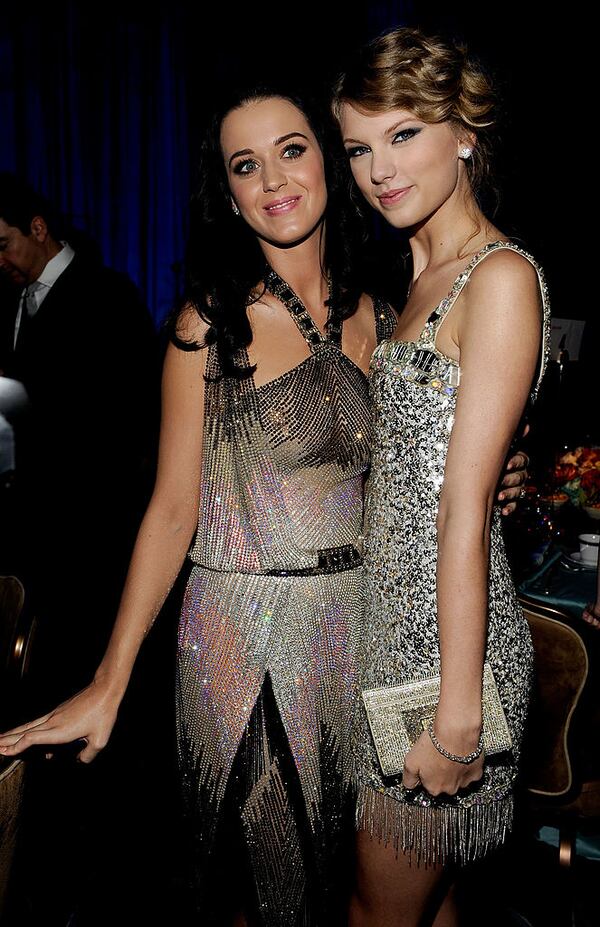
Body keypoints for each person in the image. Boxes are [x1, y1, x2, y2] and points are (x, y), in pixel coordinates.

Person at [0, 86, 527, 926]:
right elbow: (171, 511)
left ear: (330, 162)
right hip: (244, 640)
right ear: (230, 192)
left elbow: (423, 465)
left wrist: (495, 469)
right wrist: (111, 676)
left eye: (292, 149)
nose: (274, 179)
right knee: (277, 890)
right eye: (247, 164)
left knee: (385, 880)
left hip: (363, 634)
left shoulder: (385, 313)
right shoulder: (206, 329)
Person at [331, 26, 551, 927]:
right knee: (430, 900)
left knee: (375, 911)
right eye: (357, 146)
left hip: (446, 658)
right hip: (395, 633)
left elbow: (463, 508)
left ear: (464, 132)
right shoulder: (418, 272)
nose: (377, 167)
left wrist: (458, 717)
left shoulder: (496, 277)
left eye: (403, 134)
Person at [0, 175, 162, 926]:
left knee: (94, 704)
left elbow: (130, 431)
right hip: (38, 537)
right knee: (44, 698)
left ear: (38, 226)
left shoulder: (107, 296)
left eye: (2, 243)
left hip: (97, 544)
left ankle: (99, 875)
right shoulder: (12, 303)